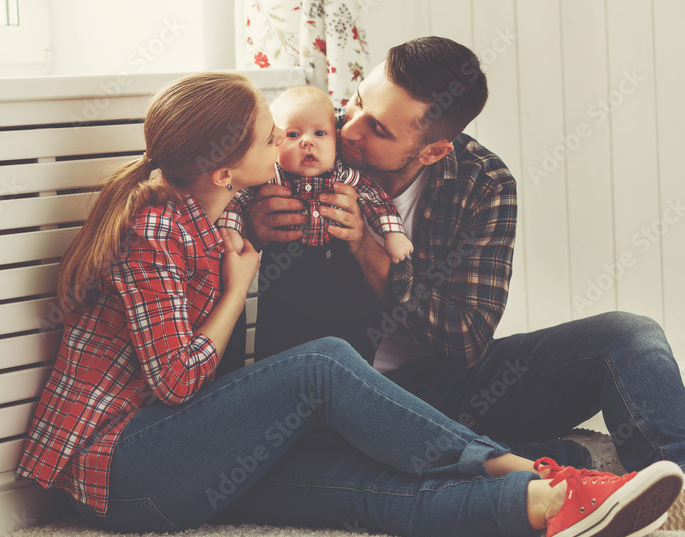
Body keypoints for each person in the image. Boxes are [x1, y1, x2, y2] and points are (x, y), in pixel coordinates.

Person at [13, 71, 683, 537]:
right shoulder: (160, 226)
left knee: (355, 487)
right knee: (324, 362)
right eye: (270, 134)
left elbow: (465, 334)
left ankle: (547, 507)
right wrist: (239, 285)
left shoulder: (221, 209)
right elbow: (177, 382)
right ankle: (526, 469)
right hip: (120, 469)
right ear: (227, 170)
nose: (297, 140)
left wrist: (361, 240)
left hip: (185, 451)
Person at [233, 36, 685, 483]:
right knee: (320, 453)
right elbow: (190, 196)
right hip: (334, 394)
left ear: (433, 150)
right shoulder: (304, 136)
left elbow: (465, 340)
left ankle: (671, 483)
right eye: (357, 102)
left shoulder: (482, 182)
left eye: (380, 130)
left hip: (443, 389)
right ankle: (544, 460)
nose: (349, 129)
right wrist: (248, 226)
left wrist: (366, 248)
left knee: (630, 335)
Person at [218, 85, 412, 262]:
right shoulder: (270, 175)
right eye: (293, 135)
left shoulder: (342, 173)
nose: (307, 142)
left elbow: (375, 198)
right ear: (275, 141)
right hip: (281, 270)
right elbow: (237, 199)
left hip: (337, 265)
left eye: (320, 133)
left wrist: (393, 233)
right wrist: (231, 230)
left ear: (335, 141)